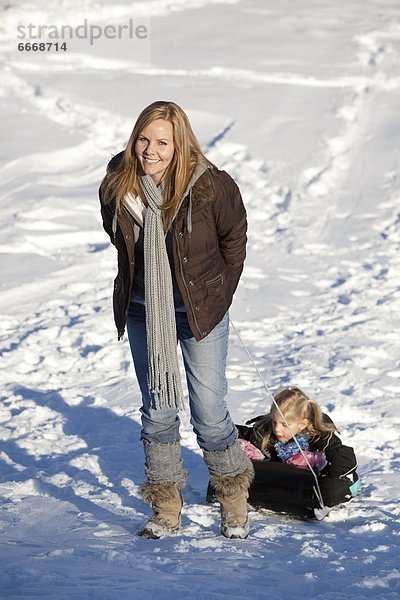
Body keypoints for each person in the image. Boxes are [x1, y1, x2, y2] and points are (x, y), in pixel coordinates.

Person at [99, 100, 253, 539]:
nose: (150, 150)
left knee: (208, 412)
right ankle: (166, 505)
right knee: (158, 411)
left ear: (180, 144)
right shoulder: (118, 185)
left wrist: (217, 295)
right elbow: (117, 239)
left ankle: (234, 498)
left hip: (201, 315)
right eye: (143, 139)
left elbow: (234, 240)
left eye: (162, 142)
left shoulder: (211, 186)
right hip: (144, 314)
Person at [208, 386, 360, 519]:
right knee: (235, 467)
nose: (277, 429)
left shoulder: (320, 438)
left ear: (303, 424)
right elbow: (244, 434)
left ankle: (317, 502)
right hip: (283, 478)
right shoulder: (266, 432)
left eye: (285, 425)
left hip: (310, 484)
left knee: (333, 490)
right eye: (274, 422)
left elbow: (344, 457)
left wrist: (325, 472)